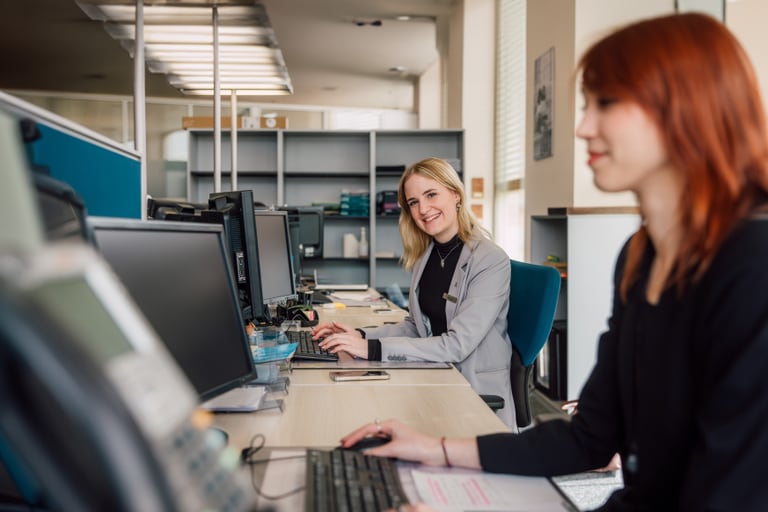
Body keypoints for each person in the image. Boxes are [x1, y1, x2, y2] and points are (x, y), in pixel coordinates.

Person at [339, 13, 768, 511]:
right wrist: (433, 449)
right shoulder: (642, 259)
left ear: (685, 109)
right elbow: (586, 440)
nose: (583, 126)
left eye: (605, 104)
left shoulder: (752, 268)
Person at [312, 157, 517, 429]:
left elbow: (457, 345)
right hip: (435, 375)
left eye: (431, 195)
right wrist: (358, 335)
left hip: (470, 391)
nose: (423, 209)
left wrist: (372, 349)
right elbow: (416, 327)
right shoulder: (426, 256)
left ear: (456, 195)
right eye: (413, 202)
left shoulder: (489, 260)